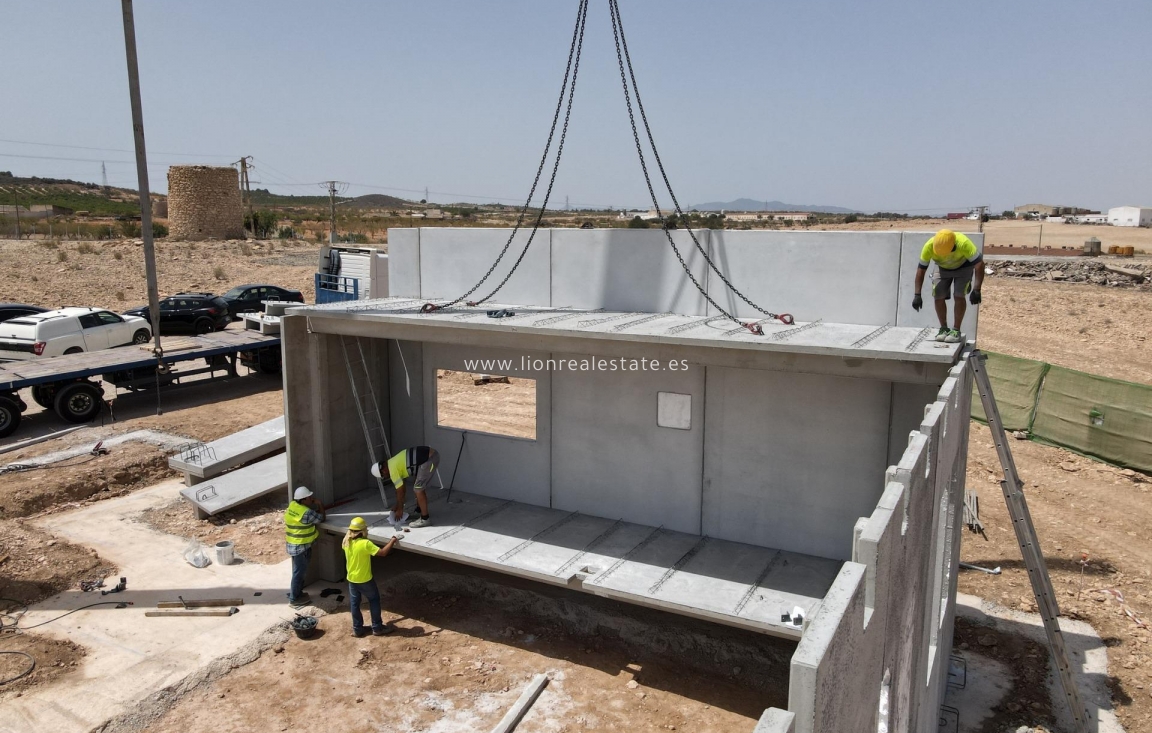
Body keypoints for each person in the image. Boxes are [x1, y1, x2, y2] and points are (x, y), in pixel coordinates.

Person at [912, 229, 984, 343]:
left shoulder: (963, 242)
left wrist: (977, 289)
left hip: (963, 267)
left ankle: (956, 330)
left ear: (953, 246)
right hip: (942, 268)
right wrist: (917, 295)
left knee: (959, 295)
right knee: (938, 294)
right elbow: (921, 270)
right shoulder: (929, 246)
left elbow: (979, 264)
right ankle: (943, 328)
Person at [342, 516, 400, 637]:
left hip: (352, 579)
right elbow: (383, 553)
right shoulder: (365, 544)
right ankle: (377, 627)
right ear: (362, 531)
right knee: (374, 600)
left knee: (354, 604)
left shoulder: (346, 541)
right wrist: (393, 540)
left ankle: (357, 629)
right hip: (365, 579)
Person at [370, 446, 439, 528]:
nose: (385, 477)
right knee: (416, 484)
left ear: (383, 470)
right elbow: (401, 488)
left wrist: (400, 509)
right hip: (429, 456)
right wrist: (398, 505)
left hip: (429, 460)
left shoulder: (392, 471)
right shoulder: (392, 462)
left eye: (383, 476)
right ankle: (419, 510)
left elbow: (401, 491)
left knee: (418, 489)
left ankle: (425, 519)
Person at [284, 486, 325, 607]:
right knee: (299, 573)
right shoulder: (306, 513)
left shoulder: (293, 506)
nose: (311, 499)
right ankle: (294, 599)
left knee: (298, 572)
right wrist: (320, 505)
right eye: (309, 497)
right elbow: (321, 518)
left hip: (293, 544)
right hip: (301, 547)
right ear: (303, 500)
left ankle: (297, 593)